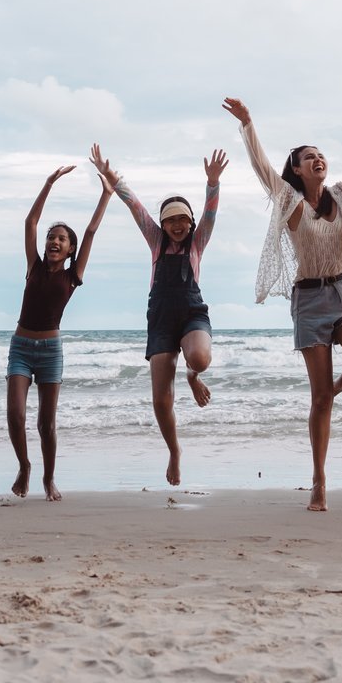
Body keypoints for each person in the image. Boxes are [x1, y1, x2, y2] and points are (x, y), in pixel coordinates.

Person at [222, 97, 342, 512]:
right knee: (319, 402)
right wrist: (248, 125)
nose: (318, 160)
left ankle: (330, 390)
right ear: (296, 168)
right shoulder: (290, 201)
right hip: (310, 300)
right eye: (308, 157)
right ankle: (319, 480)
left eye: (320, 155)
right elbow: (262, 169)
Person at [90, 144, 226, 487]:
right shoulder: (155, 241)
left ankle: (193, 377)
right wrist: (111, 176)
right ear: (162, 224)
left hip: (192, 311)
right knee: (161, 398)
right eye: (170, 220)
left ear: (191, 222)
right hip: (161, 318)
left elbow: (210, 214)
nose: (177, 225)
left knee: (200, 358)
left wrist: (212, 183)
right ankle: (174, 451)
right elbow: (133, 205)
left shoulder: (198, 243)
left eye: (183, 219)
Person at [9, 161, 113, 501]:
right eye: (52, 237)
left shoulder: (73, 275)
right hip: (21, 347)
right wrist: (49, 182)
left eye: (62, 239)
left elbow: (92, 231)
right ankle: (24, 465)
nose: (54, 241)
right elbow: (30, 222)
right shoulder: (33, 268)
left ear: (70, 250)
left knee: (46, 425)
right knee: (15, 414)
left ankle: (49, 478)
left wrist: (106, 194)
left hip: (51, 351)